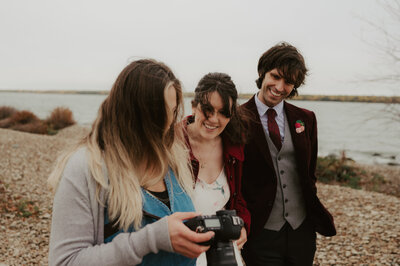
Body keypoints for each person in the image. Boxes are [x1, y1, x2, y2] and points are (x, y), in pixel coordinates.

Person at [47, 59, 214, 266]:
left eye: (172, 112)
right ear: (133, 113)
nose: (168, 123)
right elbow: (65, 261)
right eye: (159, 113)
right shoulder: (87, 167)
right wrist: (151, 239)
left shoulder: (175, 159)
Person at [240, 43, 336, 266]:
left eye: (289, 82)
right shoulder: (237, 119)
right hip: (260, 231)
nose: (280, 87)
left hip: (301, 229)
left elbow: (309, 173)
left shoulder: (306, 118)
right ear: (262, 72)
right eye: (275, 76)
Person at [182, 72, 251, 265]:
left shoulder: (234, 146)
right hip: (182, 250)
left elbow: (239, 198)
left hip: (224, 250)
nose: (214, 119)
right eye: (208, 109)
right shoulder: (172, 143)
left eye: (223, 113)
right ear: (194, 106)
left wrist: (242, 226)